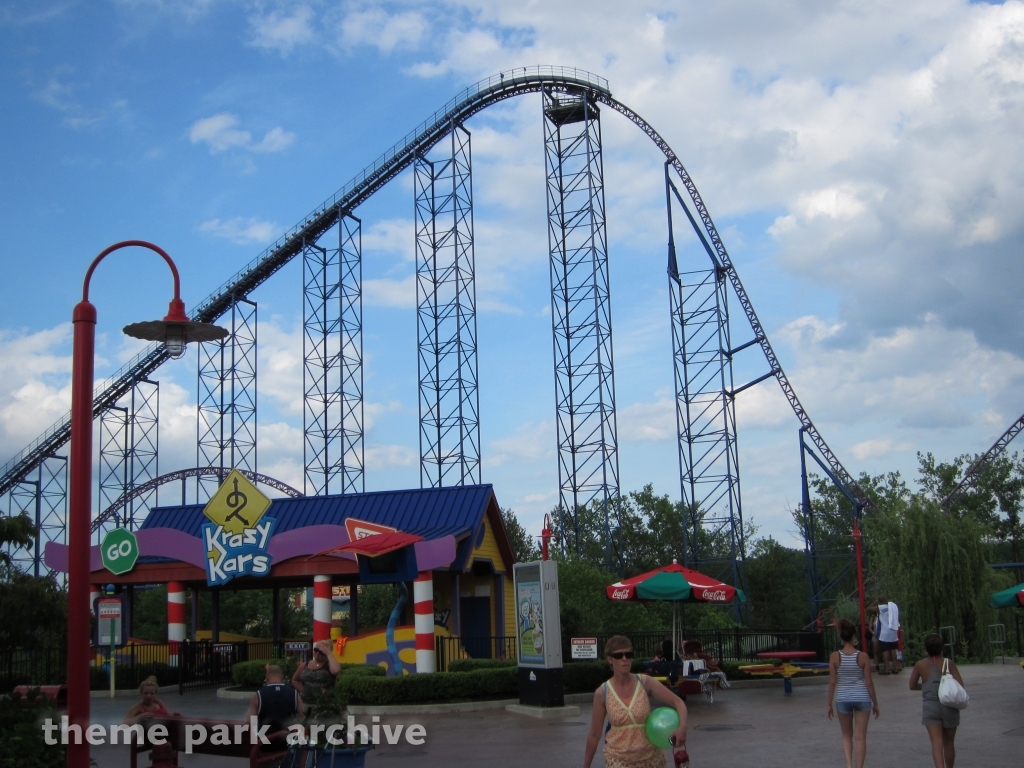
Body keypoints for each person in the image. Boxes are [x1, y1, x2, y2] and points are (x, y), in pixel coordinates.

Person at [583, 635, 688, 768]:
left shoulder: (644, 682)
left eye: (628, 654)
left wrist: (682, 728)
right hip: (618, 760)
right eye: (619, 655)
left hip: (651, 760)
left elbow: (678, 702)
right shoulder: (603, 692)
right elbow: (594, 734)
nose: (625, 659)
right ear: (610, 659)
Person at [826, 619, 879, 768]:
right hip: (862, 697)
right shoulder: (863, 657)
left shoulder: (835, 657)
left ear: (841, 637)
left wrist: (829, 704)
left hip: (843, 698)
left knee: (846, 735)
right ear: (854, 636)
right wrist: (875, 703)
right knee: (860, 737)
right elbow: (869, 682)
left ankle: (849, 764)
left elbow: (832, 682)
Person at [909, 633, 965, 768]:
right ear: (941, 648)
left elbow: (912, 685)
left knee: (936, 742)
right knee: (949, 742)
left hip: (930, 707)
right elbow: (960, 685)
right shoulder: (948, 663)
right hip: (949, 706)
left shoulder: (920, 665)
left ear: (925, 648)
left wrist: (927, 687)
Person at [246, 665, 305, 750]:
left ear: (266, 677)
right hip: (288, 743)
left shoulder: (258, 695)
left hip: (265, 744)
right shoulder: (294, 694)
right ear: (282, 677)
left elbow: (249, 721)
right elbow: (303, 716)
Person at [291, 638, 341, 706]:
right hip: (305, 702)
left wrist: (329, 653)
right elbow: (294, 680)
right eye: (316, 650)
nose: (317, 653)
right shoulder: (305, 664)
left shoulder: (329, 664)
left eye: (321, 652)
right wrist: (302, 690)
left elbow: (336, 671)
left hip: (323, 704)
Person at [870, 596, 900, 674]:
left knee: (885, 650)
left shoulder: (880, 607)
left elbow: (869, 608)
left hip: (885, 632)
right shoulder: (893, 607)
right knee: (893, 649)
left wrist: (876, 601)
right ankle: (896, 667)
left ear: (880, 601)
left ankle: (887, 669)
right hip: (893, 630)